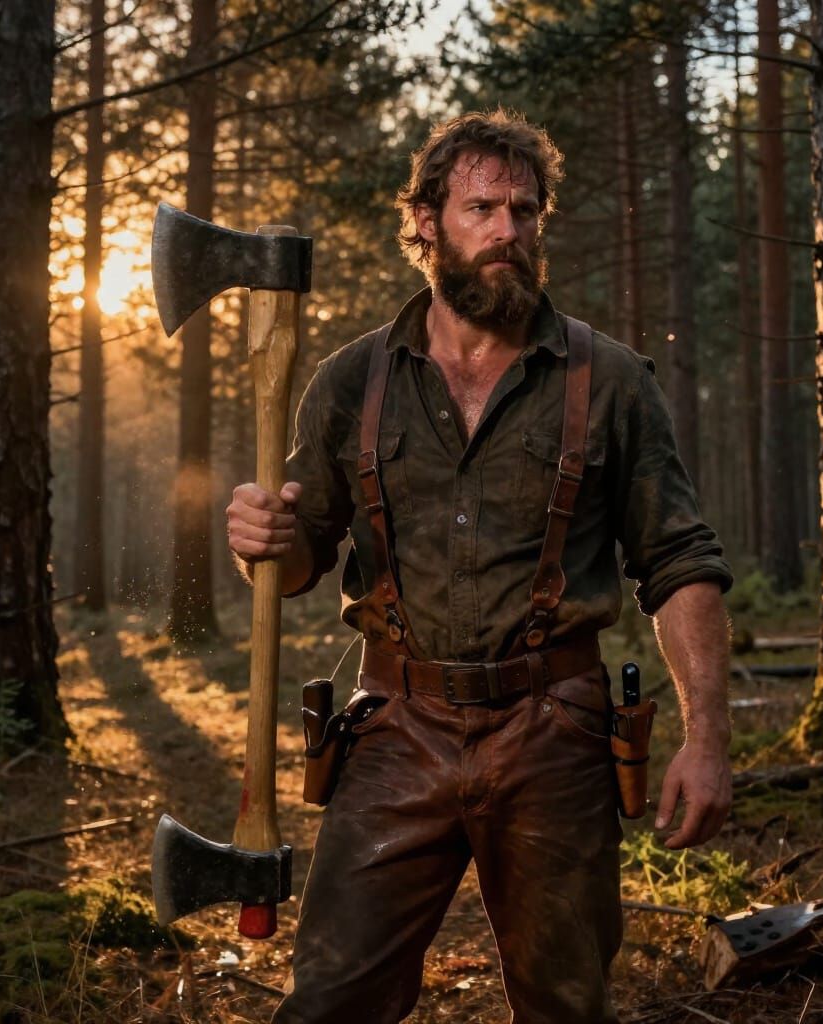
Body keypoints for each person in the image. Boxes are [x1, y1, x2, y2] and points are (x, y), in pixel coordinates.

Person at [226, 109, 733, 1024]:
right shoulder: (351, 381)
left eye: (525, 211)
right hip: (394, 731)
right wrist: (263, 535)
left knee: (565, 1004)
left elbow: (678, 559)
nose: (508, 231)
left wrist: (707, 738)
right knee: (329, 1001)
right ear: (424, 222)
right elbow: (301, 557)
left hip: (554, 732)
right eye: (482, 209)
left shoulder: (609, 381)